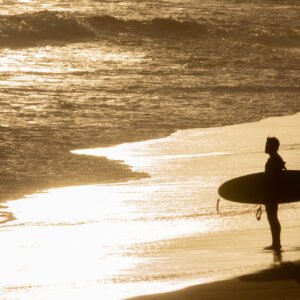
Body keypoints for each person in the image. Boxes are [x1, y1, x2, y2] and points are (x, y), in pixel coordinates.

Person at [264, 137, 286, 251]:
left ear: (273, 147)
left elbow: (272, 179)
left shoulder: (274, 160)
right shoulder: (276, 159)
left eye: (267, 145)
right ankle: (276, 242)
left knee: (272, 218)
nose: (265, 147)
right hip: (273, 193)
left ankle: (276, 243)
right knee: (272, 218)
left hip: (272, 194)